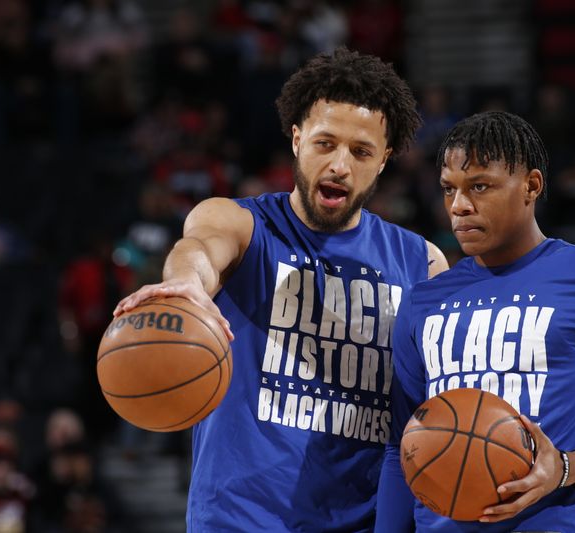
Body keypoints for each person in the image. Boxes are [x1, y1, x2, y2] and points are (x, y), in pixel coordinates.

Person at [114, 47, 448, 531]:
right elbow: (200, 249)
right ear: (296, 140)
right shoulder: (241, 223)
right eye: (324, 143)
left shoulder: (422, 262)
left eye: (360, 152)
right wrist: (185, 284)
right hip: (240, 521)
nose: (339, 165)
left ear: (384, 160)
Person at [375, 111, 575, 532]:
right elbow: (403, 449)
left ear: (532, 185)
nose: (458, 206)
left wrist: (567, 467)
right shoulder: (422, 301)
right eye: (449, 190)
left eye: (480, 186)